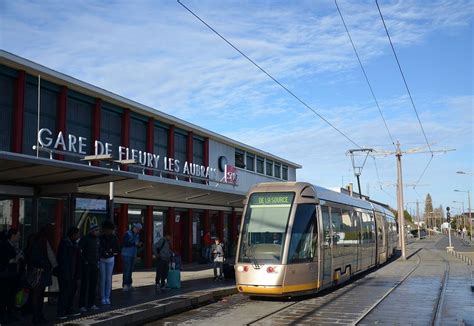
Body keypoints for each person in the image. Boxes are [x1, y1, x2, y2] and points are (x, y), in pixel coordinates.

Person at [25, 224, 57, 324]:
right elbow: (51, 256)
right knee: (39, 294)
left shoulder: (34, 240)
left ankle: (36, 315)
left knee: (36, 294)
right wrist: (53, 265)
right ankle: (38, 315)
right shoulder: (44, 241)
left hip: (34, 270)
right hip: (42, 271)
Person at [56, 227, 81, 320]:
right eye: (78, 234)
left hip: (73, 273)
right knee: (64, 292)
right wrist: (67, 273)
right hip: (66, 273)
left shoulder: (74, 244)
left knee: (71, 292)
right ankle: (61, 311)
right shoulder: (65, 244)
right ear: (73, 234)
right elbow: (63, 261)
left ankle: (69, 308)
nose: (79, 236)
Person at [0, 229, 23, 323]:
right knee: (4, 296)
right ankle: (3, 315)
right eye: (18, 235)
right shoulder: (4, 246)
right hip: (6, 275)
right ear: (13, 236)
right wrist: (16, 258)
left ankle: (9, 314)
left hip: (13, 275)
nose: (19, 237)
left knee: (11, 295)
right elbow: (3, 261)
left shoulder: (14, 246)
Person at [78, 223, 101, 312]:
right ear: (92, 231)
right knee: (84, 285)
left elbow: (99, 250)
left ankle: (91, 304)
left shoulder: (97, 240)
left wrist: (98, 259)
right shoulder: (85, 239)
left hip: (95, 264)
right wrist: (84, 261)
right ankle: (82, 305)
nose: (98, 232)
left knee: (93, 285)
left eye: (98, 230)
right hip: (87, 265)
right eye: (96, 230)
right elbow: (79, 250)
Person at [99, 221, 120, 305]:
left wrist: (108, 252)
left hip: (105, 258)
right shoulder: (113, 238)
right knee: (105, 279)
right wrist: (111, 252)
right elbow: (117, 248)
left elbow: (117, 248)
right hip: (108, 258)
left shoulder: (102, 238)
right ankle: (105, 297)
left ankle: (106, 297)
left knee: (106, 279)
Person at [121, 223, 143, 291]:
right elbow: (125, 243)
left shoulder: (137, 235)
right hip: (126, 254)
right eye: (138, 229)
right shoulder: (128, 234)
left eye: (139, 230)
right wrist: (134, 244)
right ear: (134, 228)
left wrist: (138, 245)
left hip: (133, 254)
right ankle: (125, 285)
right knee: (126, 270)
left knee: (130, 270)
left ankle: (129, 284)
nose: (138, 231)